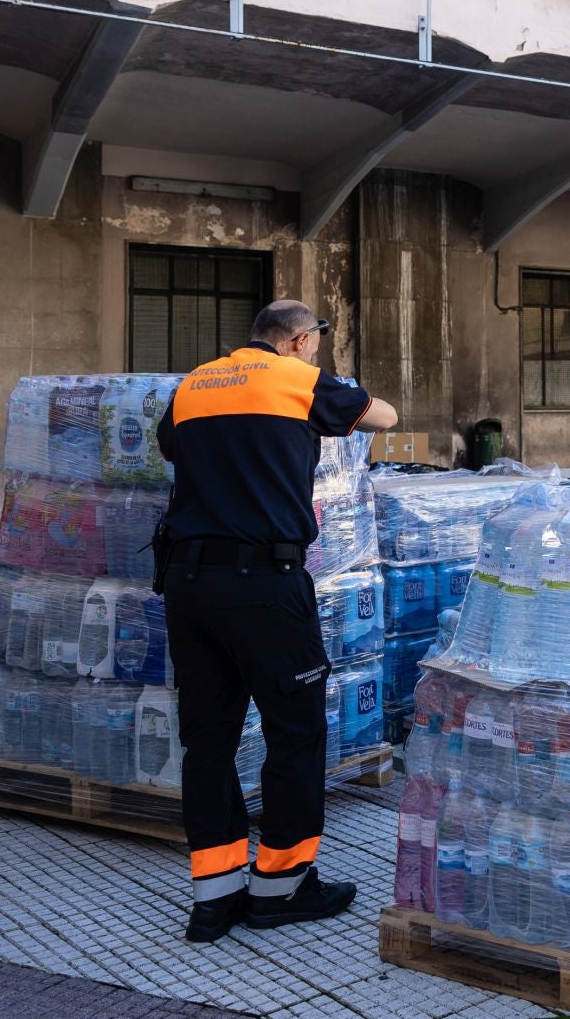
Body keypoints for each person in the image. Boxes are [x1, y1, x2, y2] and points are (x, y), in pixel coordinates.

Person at [156, 300, 398, 943]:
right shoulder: (296, 379)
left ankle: (215, 898)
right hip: (264, 582)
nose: (315, 353)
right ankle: (282, 887)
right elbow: (385, 416)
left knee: (207, 743)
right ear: (296, 340)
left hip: (188, 583)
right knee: (294, 731)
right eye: (314, 343)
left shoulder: (194, 384)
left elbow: (169, 448)